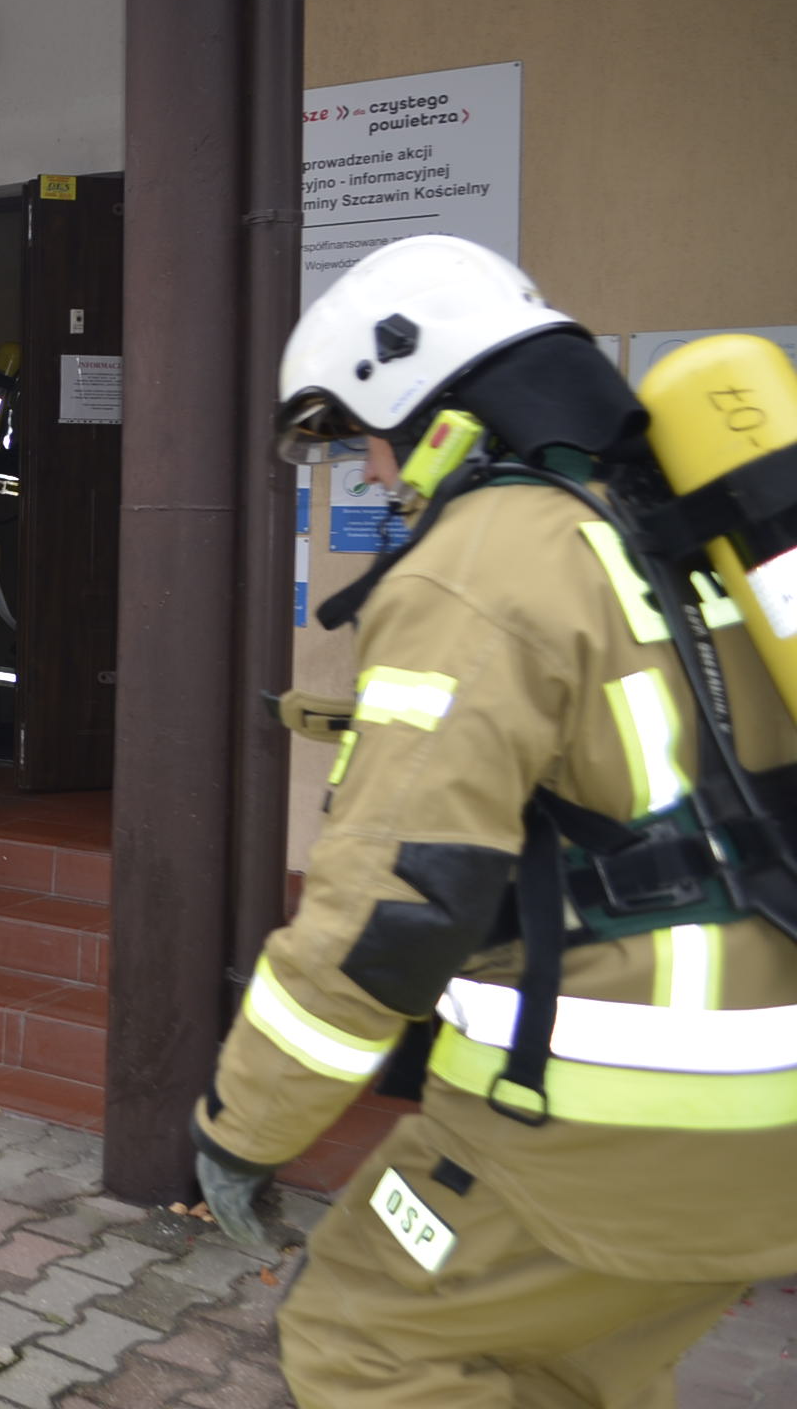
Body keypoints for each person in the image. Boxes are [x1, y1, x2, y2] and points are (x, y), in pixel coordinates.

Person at [192, 235, 797, 1403]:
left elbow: (389, 909)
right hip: (763, 1123)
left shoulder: (474, 563)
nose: (372, 473)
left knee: (360, 1340)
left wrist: (243, 1128)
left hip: (598, 1130)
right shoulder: (675, 532)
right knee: (569, 1376)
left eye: (363, 437)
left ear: (429, 410)